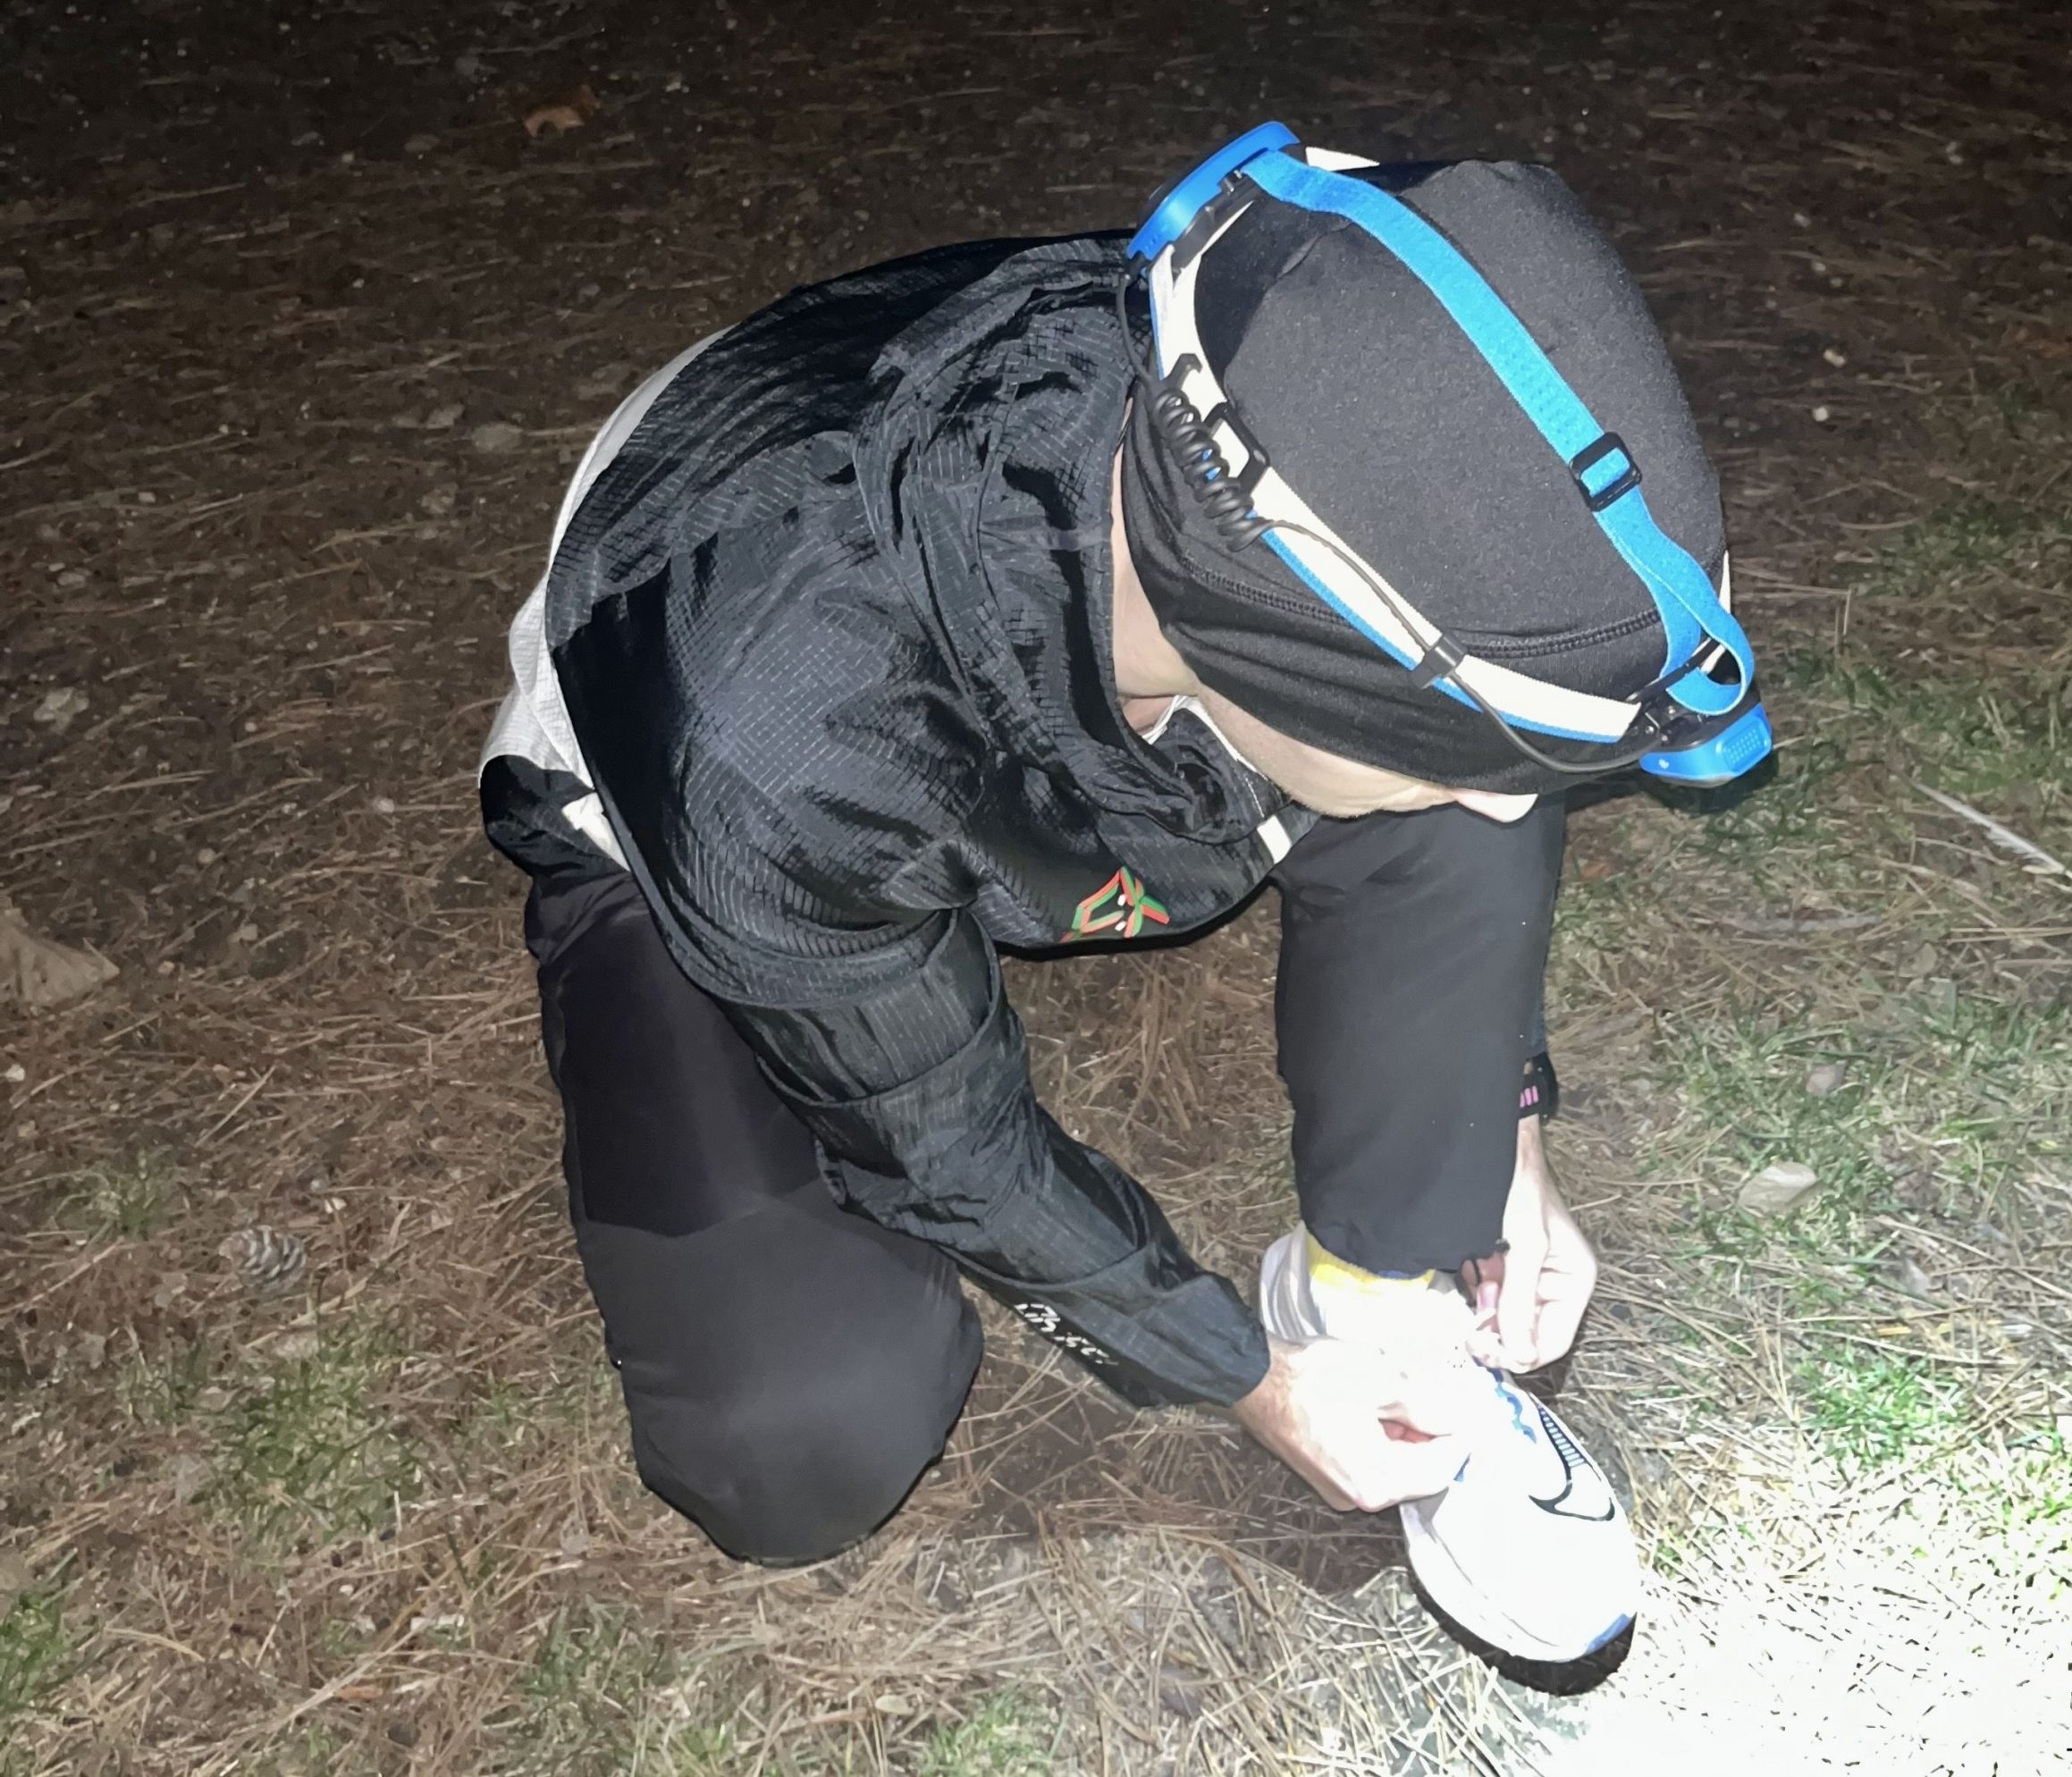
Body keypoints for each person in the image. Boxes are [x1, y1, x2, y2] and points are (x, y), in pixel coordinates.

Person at [478, 123, 1765, 1683]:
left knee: (1442, 792)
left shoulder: (1305, 429)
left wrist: (1503, 1130)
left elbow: (1473, 740)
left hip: (1061, 542)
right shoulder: (762, 742)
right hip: (683, 628)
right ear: (1251, 654)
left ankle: (1369, 1285)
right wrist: (1242, 1377)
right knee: (801, 1433)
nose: (1522, 818)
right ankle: (688, 936)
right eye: (1480, 765)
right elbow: (941, 1142)